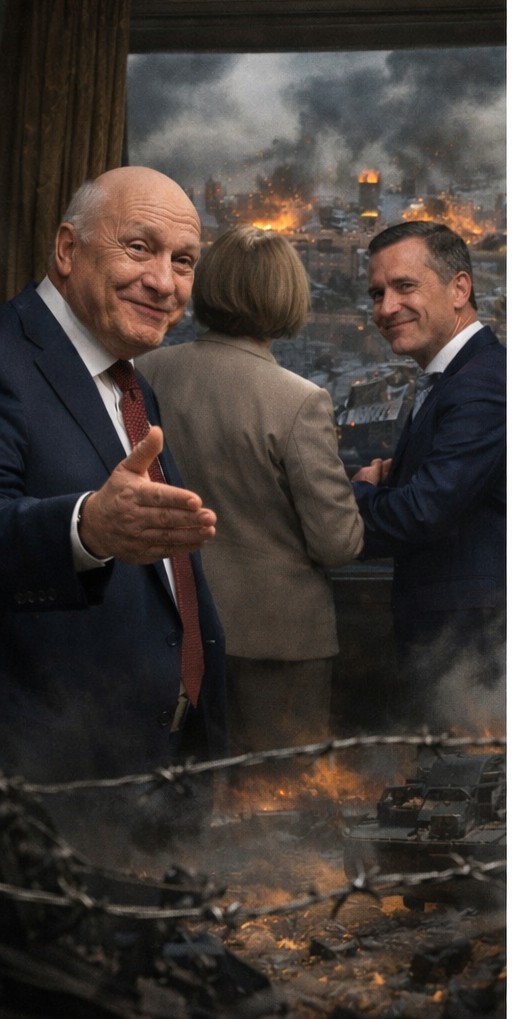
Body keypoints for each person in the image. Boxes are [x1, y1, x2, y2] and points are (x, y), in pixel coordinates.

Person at [0, 166, 228, 855]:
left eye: (182, 261)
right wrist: (85, 528)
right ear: (68, 249)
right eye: (139, 247)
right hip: (49, 793)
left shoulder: (129, 379)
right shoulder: (8, 356)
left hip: (159, 768)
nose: (164, 282)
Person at [138, 224, 364, 764]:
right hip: (278, 645)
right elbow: (337, 543)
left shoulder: (145, 374)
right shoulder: (299, 401)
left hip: (167, 629)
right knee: (278, 803)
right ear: (288, 296)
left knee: (181, 794)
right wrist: (360, 491)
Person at [351, 221, 505, 732]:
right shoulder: (455, 379)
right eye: (377, 294)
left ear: (460, 288)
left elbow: (423, 512)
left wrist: (362, 495)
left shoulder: (482, 384)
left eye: (404, 286)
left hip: (473, 654)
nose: (386, 308)